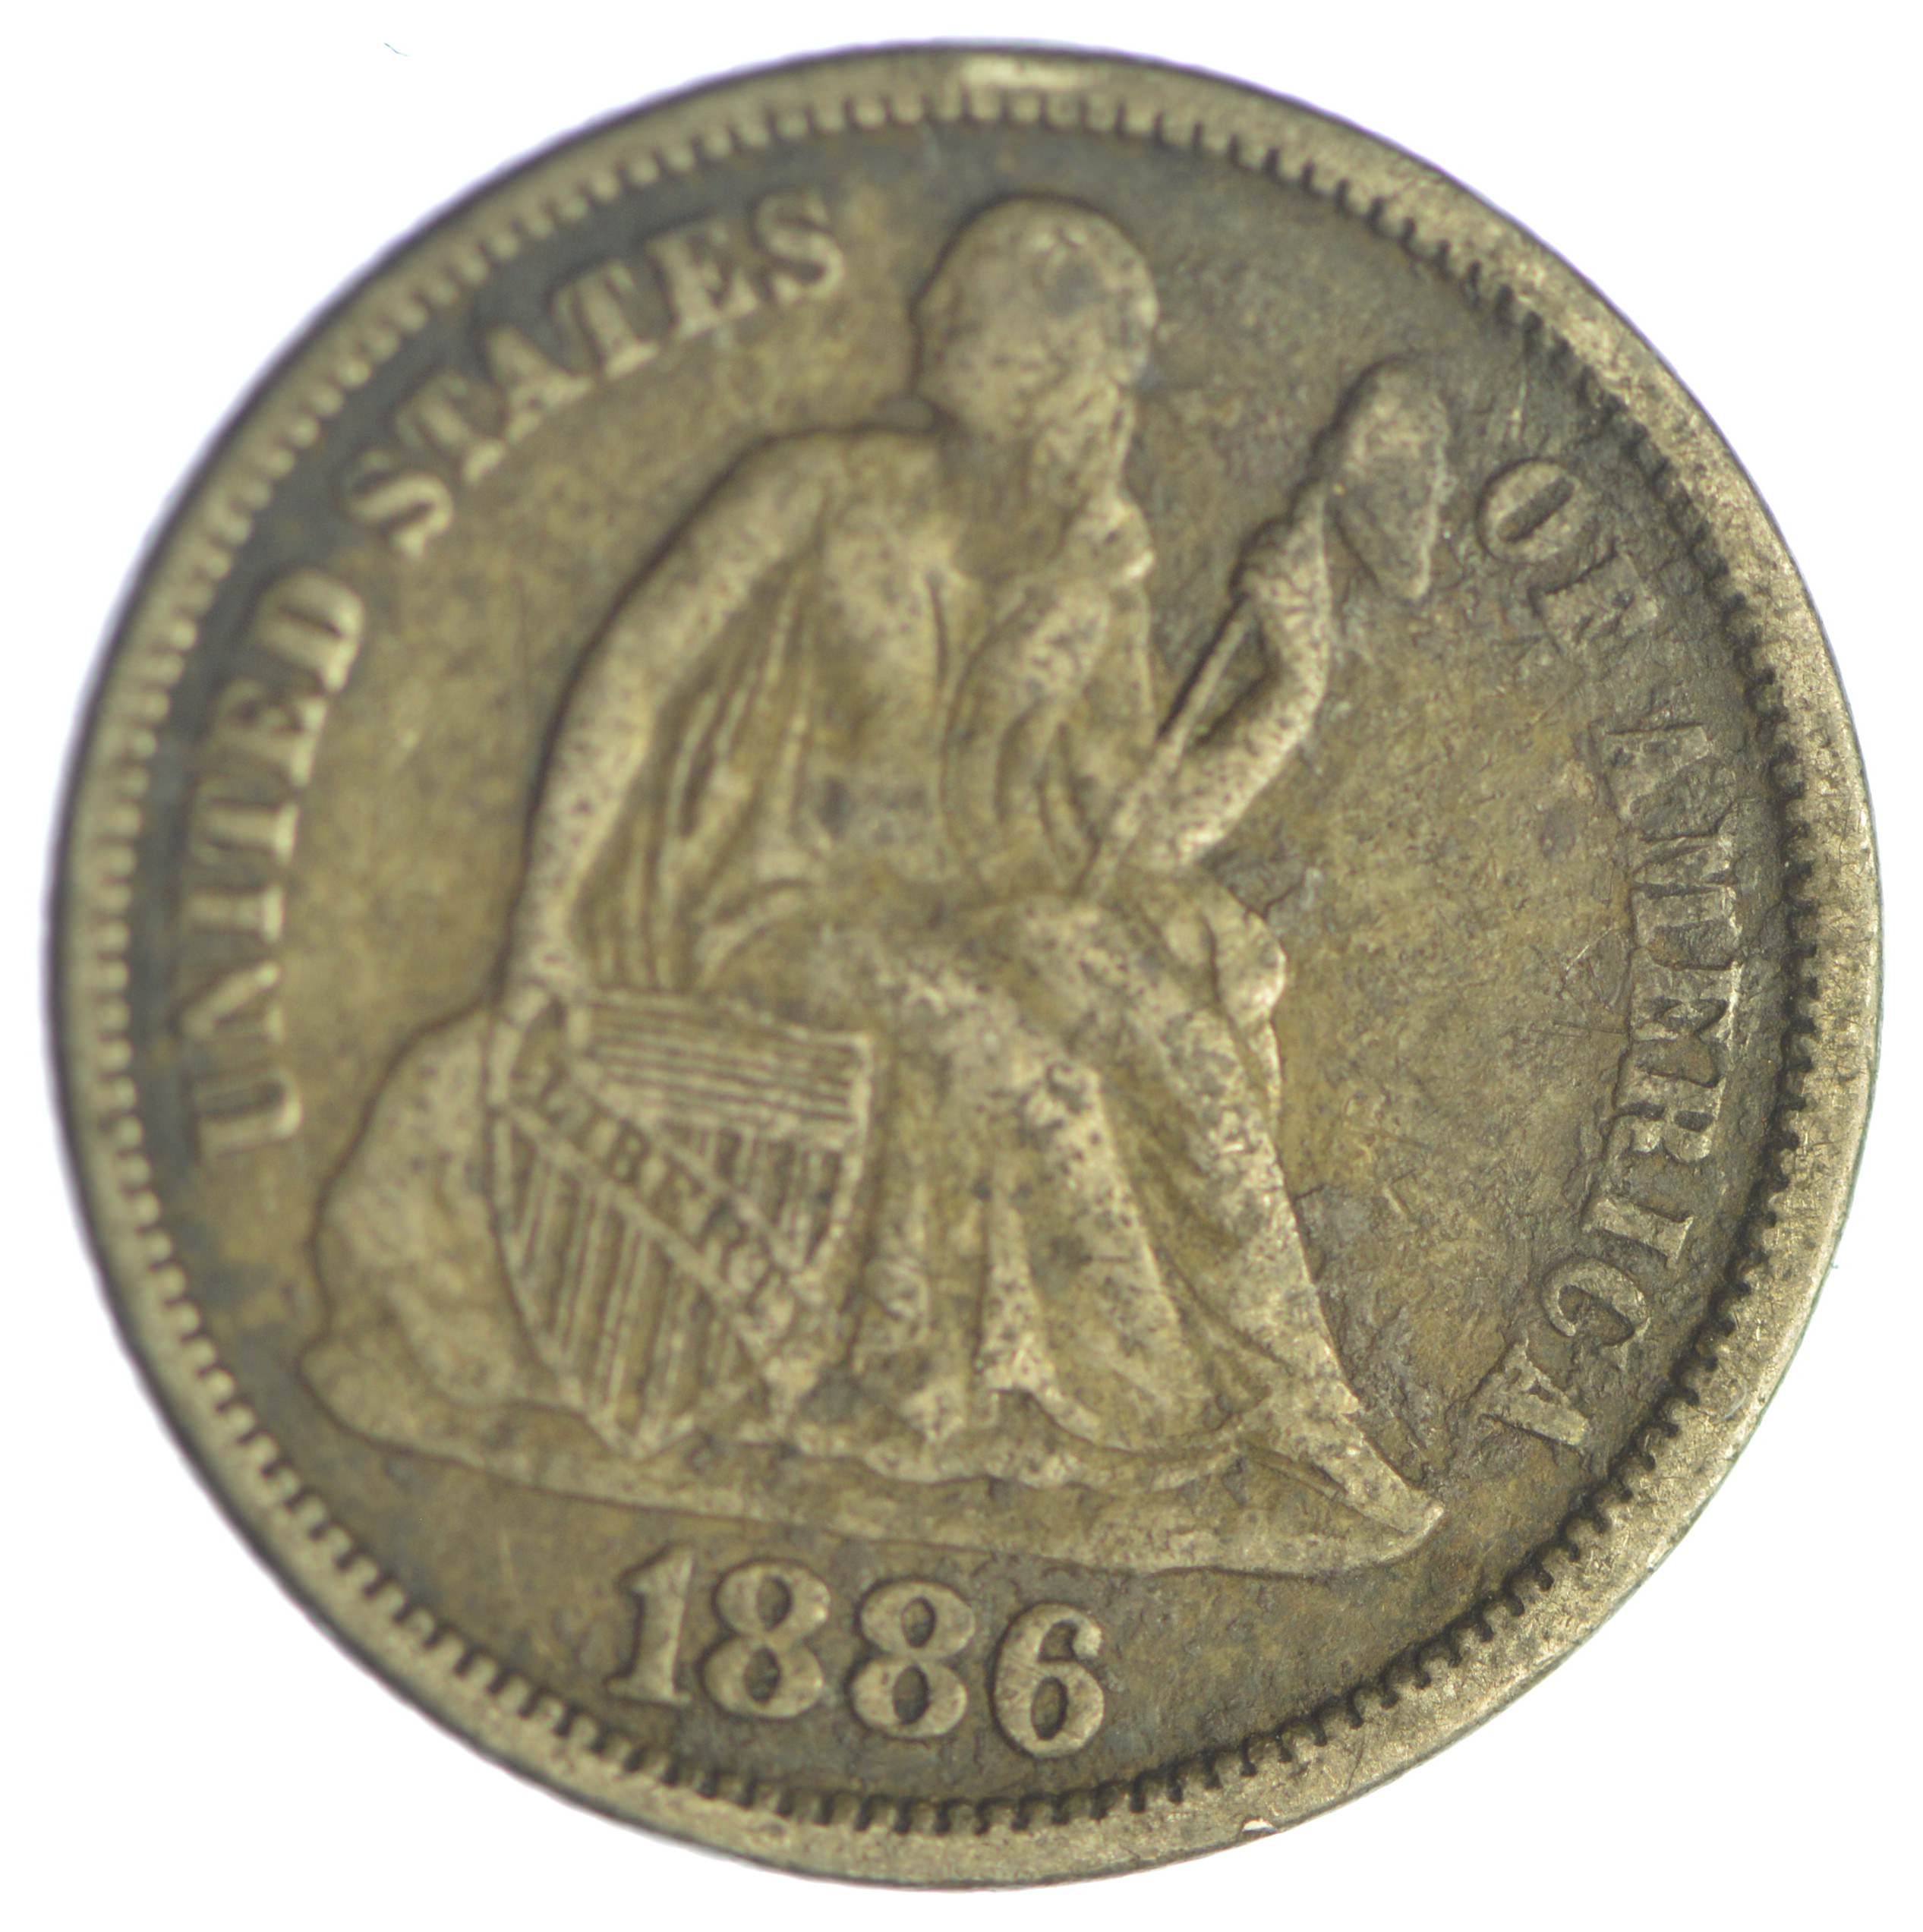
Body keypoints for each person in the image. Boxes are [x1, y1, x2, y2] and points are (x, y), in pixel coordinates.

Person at [478, 195, 1437, 1537]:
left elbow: (1130, 842)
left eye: (973, 303)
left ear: (1056, 365)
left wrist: (1289, 689)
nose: (931, 310)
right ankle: (1136, 1428)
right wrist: (545, 922)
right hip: (788, 913)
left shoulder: (1086, 567)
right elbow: (633, 675)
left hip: (986, 909)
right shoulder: (817, 488)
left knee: (1180, 1047)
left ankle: (1302, 1411)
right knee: (1031, 1077)